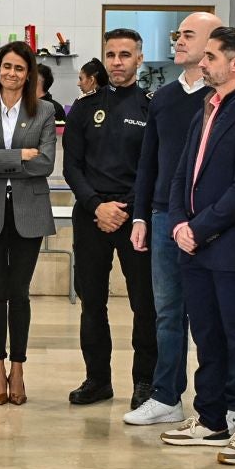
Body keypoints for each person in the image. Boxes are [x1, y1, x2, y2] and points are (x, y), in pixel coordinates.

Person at [164, 26, 235, 463]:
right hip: (193, 244)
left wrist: (200, 227)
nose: (203, 62)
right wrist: (179, 222)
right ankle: (210, 418)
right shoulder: (206, 109)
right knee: (207, 336)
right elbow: (182, 173)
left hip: (232, 247)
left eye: (211, 56)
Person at [124, 11, 220, 428]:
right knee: (167, 311)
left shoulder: (223, 98)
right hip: (163, 216)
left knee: (209, 315)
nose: (179, 41)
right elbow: (147, 164)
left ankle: (218, 402)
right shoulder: (161, 99)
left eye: (189, 35)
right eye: (179, 34)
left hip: (207, 222)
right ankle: (166, 396)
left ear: (214, 44)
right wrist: (141, 216)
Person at [63, 28, 155, 407]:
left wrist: (126, 209)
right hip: (91, 216)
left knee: (144, 305)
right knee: (92, 303)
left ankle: (145, 383)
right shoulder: (84, 107)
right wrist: (96, 206)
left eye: (125, 55)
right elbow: (72, 166)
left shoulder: (154, 106)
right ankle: (97, 379)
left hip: (135, 220)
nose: (117, 62)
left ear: (139, 58)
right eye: (111, 54)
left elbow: (157, 167)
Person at [0, 41, 58, 406]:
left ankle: (19, 367)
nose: (12, 74)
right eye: (6, 67)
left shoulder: (44, 111)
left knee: (19, 293)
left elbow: (45, 164)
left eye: (19, 69)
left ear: (29, 75)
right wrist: (17, 156)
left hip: (29, 212)